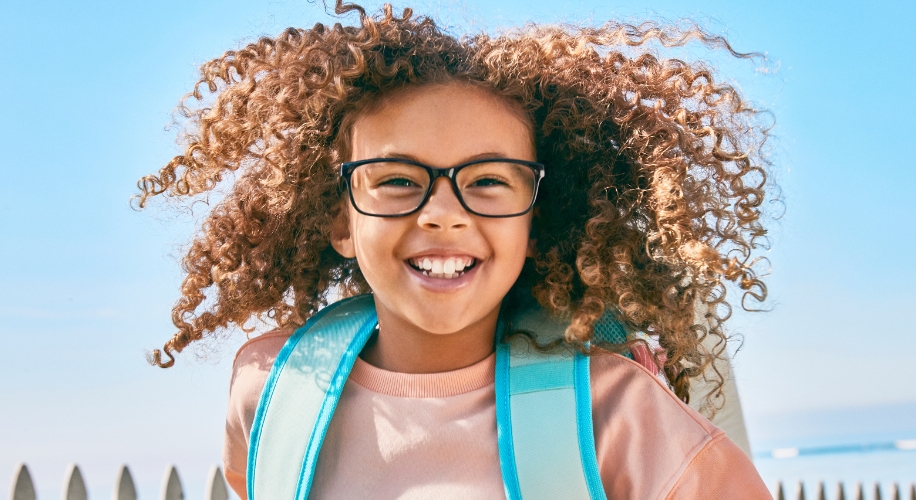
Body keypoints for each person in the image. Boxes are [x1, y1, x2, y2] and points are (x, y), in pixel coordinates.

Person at [136, 2, 773, 498]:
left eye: (489, 181)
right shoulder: (271, 391)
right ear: (340, 219)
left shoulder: (619, 418)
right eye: (397, 180)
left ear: (535, 219)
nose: (443, 213)